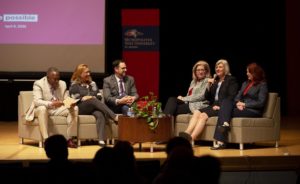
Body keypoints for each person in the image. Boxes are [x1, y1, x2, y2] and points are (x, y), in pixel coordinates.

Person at [179, 59, 238, 149]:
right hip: (213, 105)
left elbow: (231, 96)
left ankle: (191, 139)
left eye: (220, 67)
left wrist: (221, 106)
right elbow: (208, 97)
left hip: (223, 107)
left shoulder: (231, 80)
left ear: (225, 68)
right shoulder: (215, 80)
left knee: (203, 116)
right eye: (216, 67)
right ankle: (187, 133)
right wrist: (208, 86)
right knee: (197, 112)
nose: (217, 69)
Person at [69, 64, 118, 146]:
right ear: (80, 74)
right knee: (92, 100)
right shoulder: (74, 85)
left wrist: (89, 97)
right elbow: (76, 99)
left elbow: (99, 96)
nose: (89, 74)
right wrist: (88, 98)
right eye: (86, 72)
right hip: (81, 108)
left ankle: (101, 140)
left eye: (89, 72)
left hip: (93, 106)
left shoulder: (93, 84)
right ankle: (114, 117)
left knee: (100, 114)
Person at [33, 67, 78, 148]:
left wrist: (70, 102)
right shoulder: (38, 84)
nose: (57, 81)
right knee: (42, 108)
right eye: (54, 79)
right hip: (43, 109)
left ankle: (69, 139)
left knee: (75, 108)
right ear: (48, 78)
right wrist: (51, 103)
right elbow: (37, 101)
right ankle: (46, 140)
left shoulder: (62, 83)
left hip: (57, 109)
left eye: (58, 79)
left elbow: (65, 98)